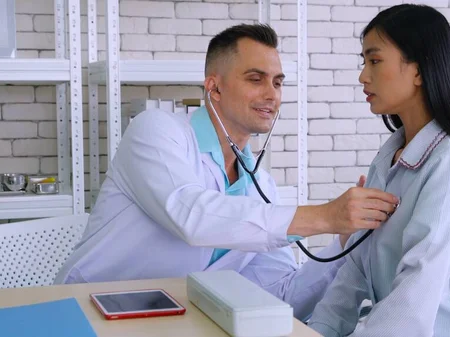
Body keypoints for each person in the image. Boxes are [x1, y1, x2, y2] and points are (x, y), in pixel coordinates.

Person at [54, 24, 399, 320]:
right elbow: (192, 215)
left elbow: (280, 295)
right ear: (214, 88)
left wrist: (342, 246)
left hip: (168, 322)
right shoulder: (156, 131)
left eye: (278, 83)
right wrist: (325, 216)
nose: (271, 95)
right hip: (86, 312)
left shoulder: (258, 186)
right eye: (255, 79)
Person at [307, 4, 450, 337]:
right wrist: (318, 331)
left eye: (374, 61)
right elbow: (355, 270)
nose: (362, 75)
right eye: (364, 62)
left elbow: (413, 299)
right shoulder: (388, 159)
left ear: (418, 70)